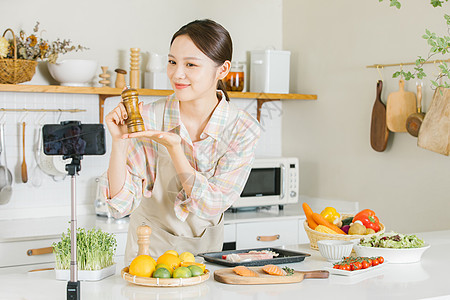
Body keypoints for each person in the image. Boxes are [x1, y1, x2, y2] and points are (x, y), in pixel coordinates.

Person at [102, 19, 261, 265]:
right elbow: (120, 206)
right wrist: (119, 141)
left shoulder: (242, 129)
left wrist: (175, 149)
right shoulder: (148, 117)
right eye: (172, 62)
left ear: (223, 70)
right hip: (146, 257)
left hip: (205, 259)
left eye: (191, 64)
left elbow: (211, 205)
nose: (177, 74)